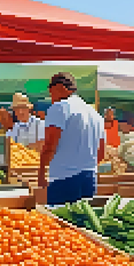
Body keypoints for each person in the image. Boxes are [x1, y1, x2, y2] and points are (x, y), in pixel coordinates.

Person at [38, 72, 105, 205]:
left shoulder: (59, 108)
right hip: (89, 178)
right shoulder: (95, 114)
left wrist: (41, 173)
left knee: (60, 223)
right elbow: (101, 153)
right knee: (83, 222)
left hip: (63, 178)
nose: (51, 97)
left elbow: (50, 145)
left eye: (51, 92)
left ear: (59, 88)